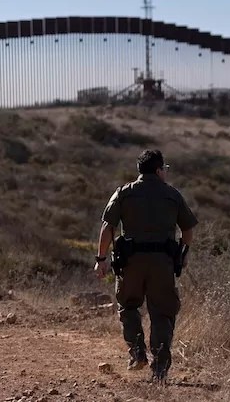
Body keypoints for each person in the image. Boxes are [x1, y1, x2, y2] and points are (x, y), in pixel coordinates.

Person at [94, 149, 198, 382]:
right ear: (159, 170)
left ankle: (138, 353)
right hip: (162, 263)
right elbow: (188, 228)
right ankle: (159, 369)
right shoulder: (172, 195)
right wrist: (184, 252)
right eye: (165, 169)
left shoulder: (124, 193)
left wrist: (101, 259)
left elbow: (107, 227)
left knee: (128, 305)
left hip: (130, 262)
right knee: (162, 312)